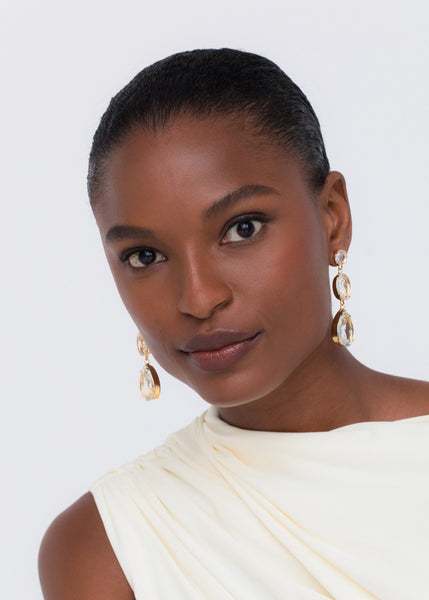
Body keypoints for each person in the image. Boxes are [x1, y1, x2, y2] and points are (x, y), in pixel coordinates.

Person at [38, 48, 429, 600]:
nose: (199, 298)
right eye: (145, 257)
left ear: (332, 218)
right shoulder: (108, 547)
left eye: (243, 228)